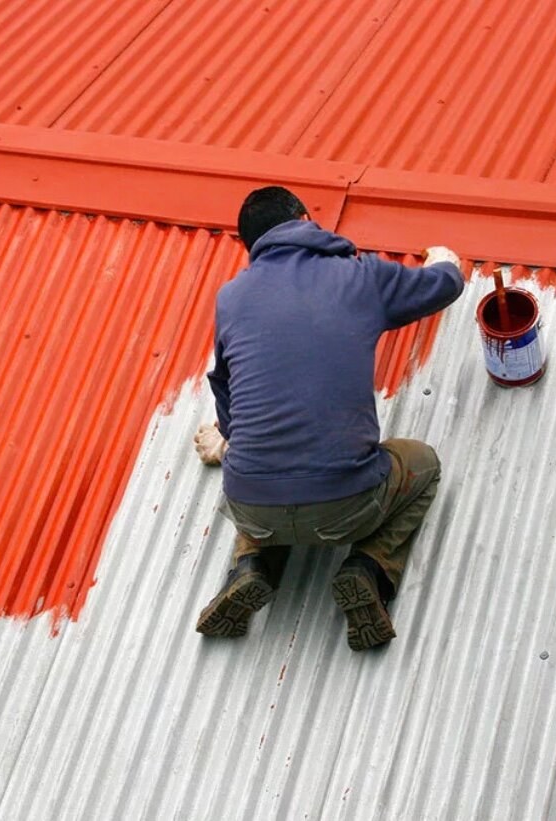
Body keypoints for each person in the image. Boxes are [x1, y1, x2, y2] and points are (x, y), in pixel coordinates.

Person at [193, 185, 464, 651]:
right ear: (304, 219)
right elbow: (443, 286)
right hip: (348, 506)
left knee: (258, 467)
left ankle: (251, 566)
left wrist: (227, 441)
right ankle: (369, 568)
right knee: (423, 463)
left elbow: (225, 386)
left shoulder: (231, 298)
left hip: (252, 506)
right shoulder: (357, 277)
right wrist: (446, 261)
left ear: (252, 245)